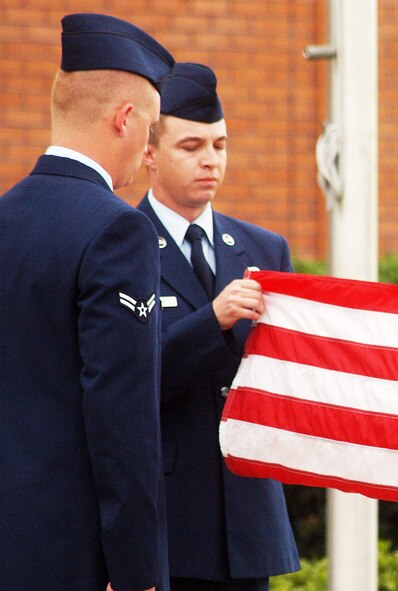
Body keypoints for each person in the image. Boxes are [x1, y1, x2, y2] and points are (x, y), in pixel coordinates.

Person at [0, 13, 174, 591]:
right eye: (151, 131)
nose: (150, 152)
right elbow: (121, 417)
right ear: (125, 120)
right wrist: (136, 569)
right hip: (72, 556)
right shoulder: (117, 231)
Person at [138, 62, 300, 591]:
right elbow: (129, 379)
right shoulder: (120, 245)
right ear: (148, 154)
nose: (210, 161)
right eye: (190, 147)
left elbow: (283, 371)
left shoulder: (263, 248)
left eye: (220, 145)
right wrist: (213, 320)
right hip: (169, 518)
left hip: (248, 513)